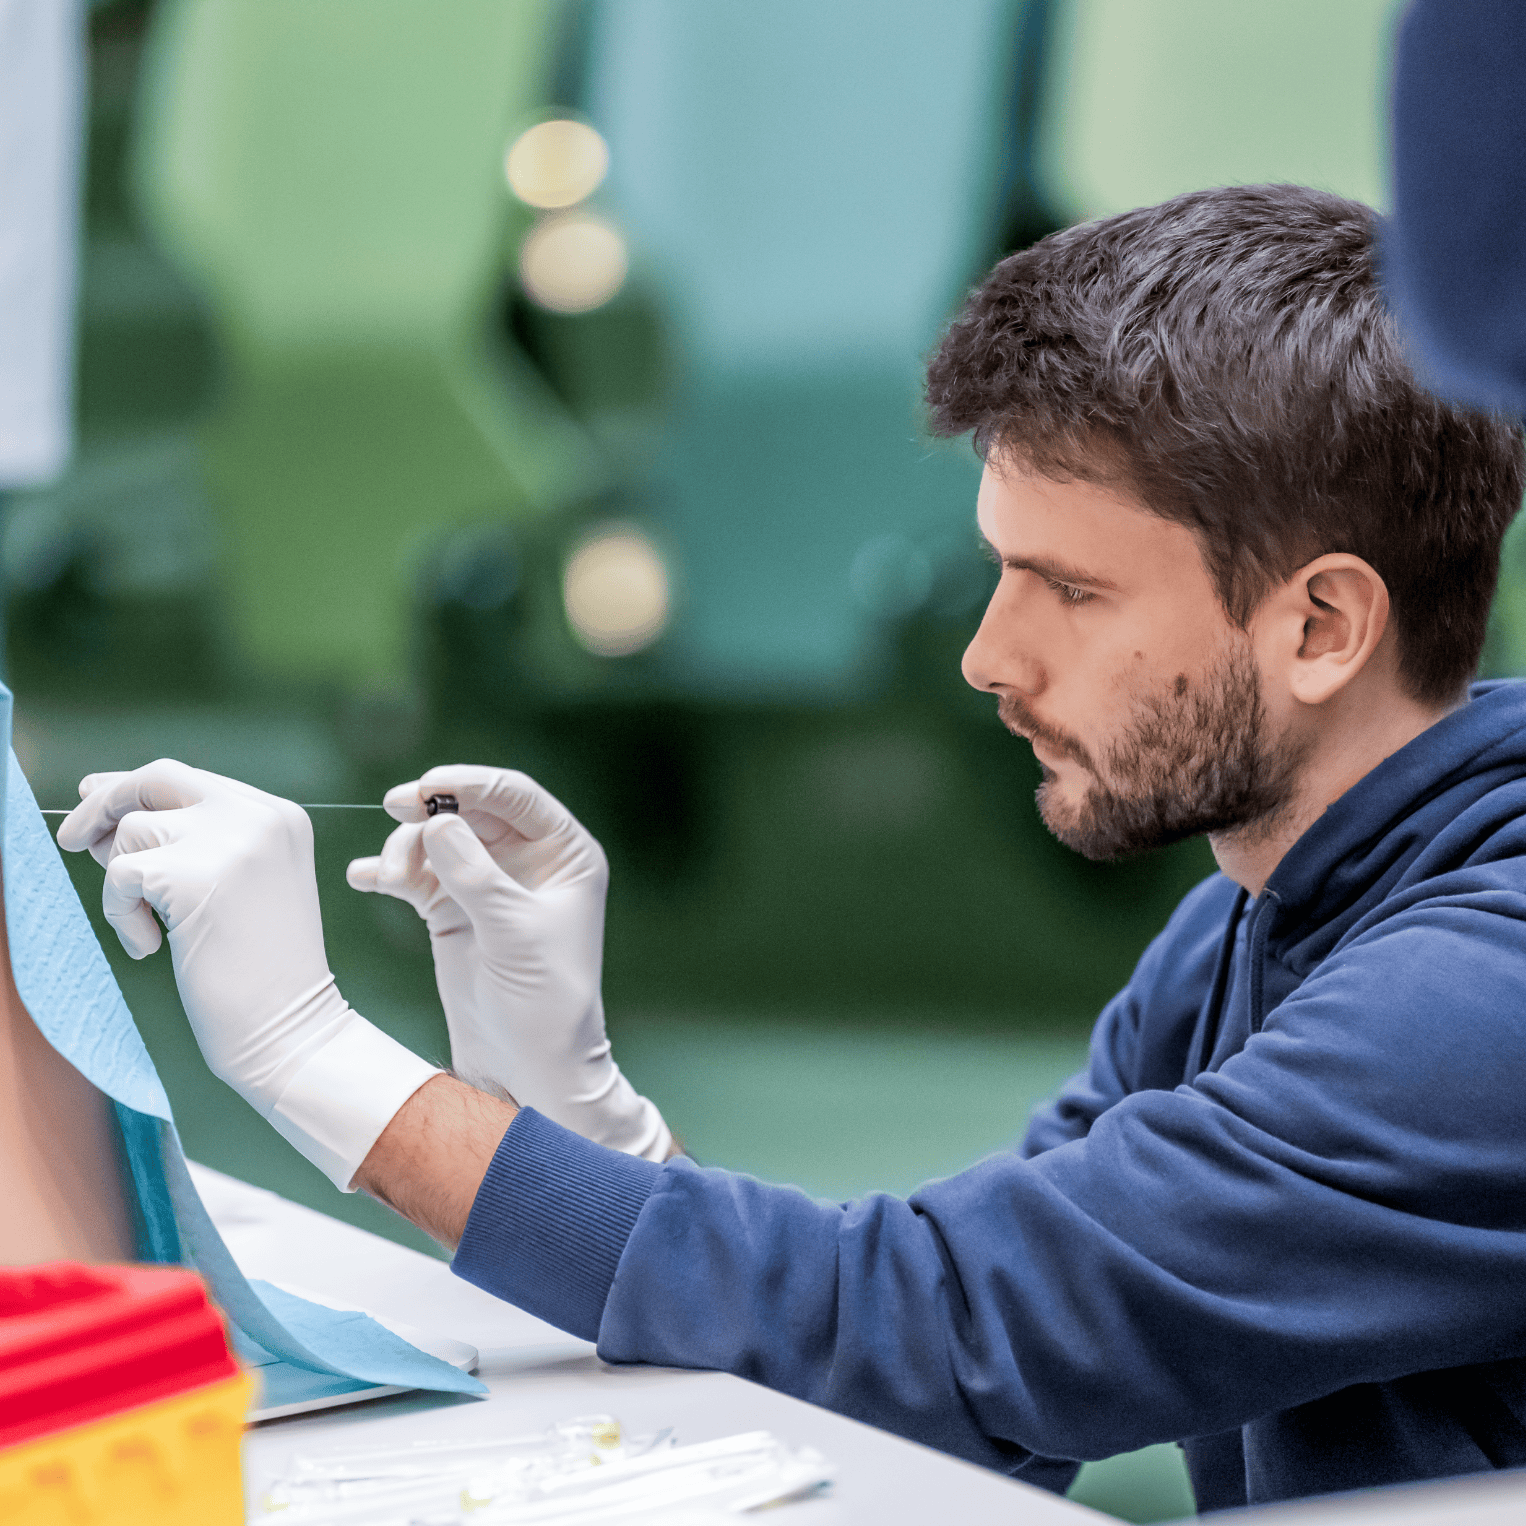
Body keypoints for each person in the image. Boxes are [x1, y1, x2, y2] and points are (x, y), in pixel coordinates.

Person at [57, 183, 1526, 1513]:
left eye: (1066, 589)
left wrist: (322, 1057)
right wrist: (584, 1122)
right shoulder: (1247, 925)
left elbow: (955, 1332)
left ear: (1320, 626)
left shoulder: (1479, 999)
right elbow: (956, 1379)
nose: (984, 655)